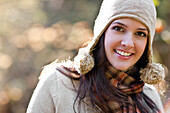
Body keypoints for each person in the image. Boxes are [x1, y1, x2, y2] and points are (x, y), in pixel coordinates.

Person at [26, 0, 166, 113]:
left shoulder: (149, 96)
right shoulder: (58, 83)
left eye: (140, 34)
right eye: (119, 28)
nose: (128, 43)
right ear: (102, 33)